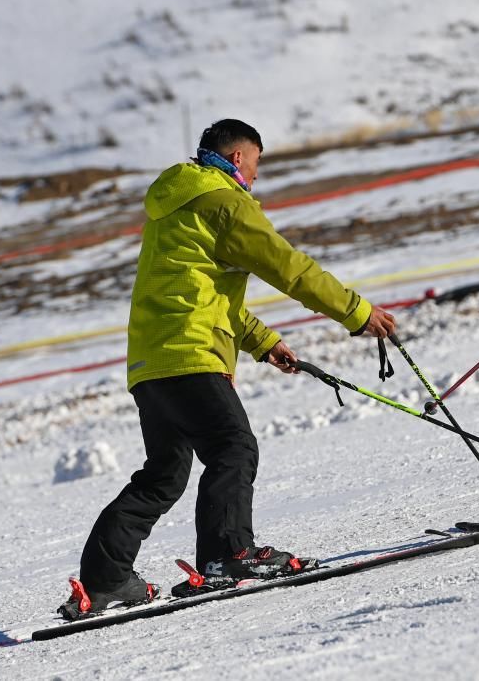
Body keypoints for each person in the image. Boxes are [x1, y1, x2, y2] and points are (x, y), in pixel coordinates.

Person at [59, 119, 396, 619]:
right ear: (238, 158)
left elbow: (200, 294)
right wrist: (358, 312)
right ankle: (228, 554)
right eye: (257, 165)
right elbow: (290, 268)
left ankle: (107, 578)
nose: (256, 178)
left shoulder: (172, 207)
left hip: (152, 363)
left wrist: (264, 342)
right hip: (192, 354)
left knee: (164, 475)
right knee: (233, 447)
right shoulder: (225, 202)